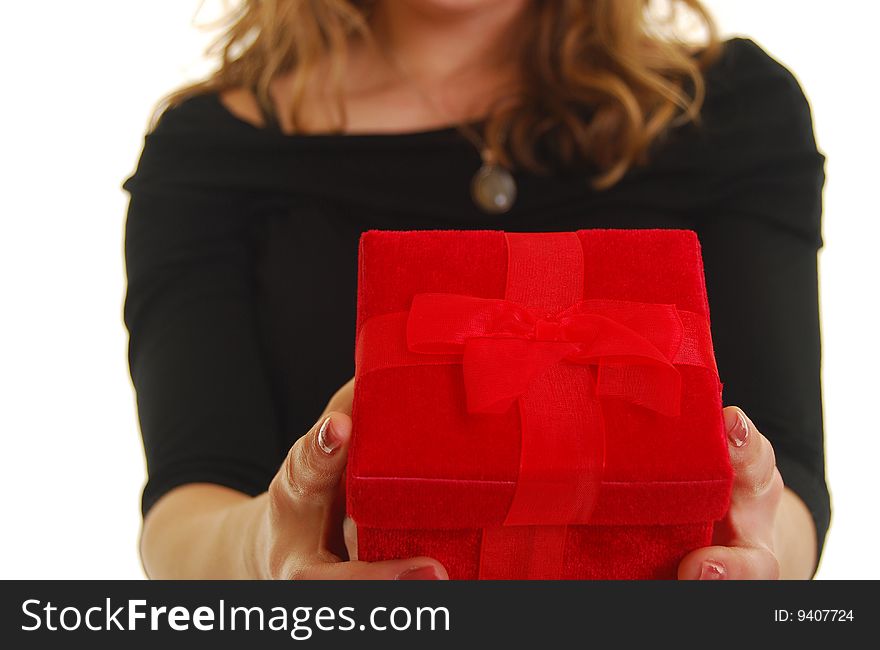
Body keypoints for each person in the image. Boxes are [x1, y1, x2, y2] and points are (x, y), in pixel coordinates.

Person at [122, 0, 830, 580]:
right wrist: (268, 550)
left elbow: (788, 472)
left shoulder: (731, 108)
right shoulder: (210, 151)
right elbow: (187, 506)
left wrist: (762, 558)